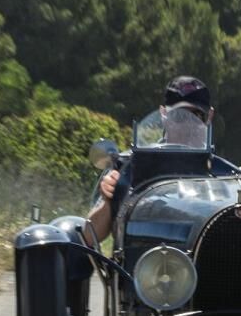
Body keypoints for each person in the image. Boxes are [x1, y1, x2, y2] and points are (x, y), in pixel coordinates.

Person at [85, 76, 222, 243]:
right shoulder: (129, 166)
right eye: (179, 116)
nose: (188, 124)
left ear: (209, 117)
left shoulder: (221, 174)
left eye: (196, 115)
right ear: (164, 114)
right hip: (138, 263)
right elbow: (89, 237)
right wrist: (108, 198)